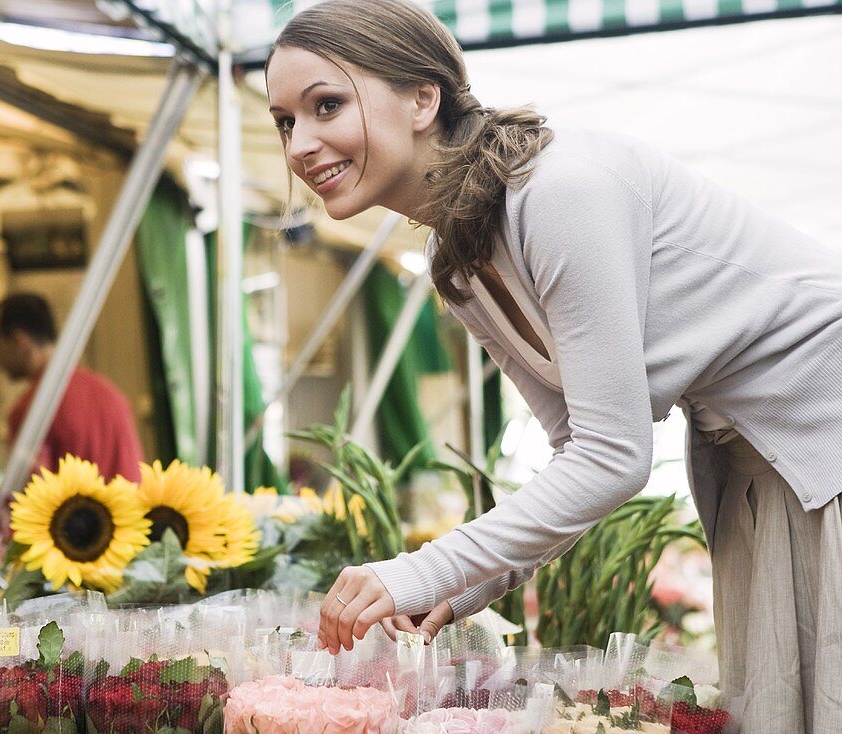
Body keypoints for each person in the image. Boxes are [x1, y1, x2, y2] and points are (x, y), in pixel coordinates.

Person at [265, 1, 842, 731]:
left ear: (422, 98)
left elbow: (617, 455)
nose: (300, 144)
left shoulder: (559, 189)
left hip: (825, 441)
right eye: (286, 120)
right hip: (763, 470)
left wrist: (420, 568)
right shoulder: (460, 260)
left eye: (327, 105)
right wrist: (467, 587)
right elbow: (580, 450)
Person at [0, 293, 144, 483]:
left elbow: (33, 494)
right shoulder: (109, 392)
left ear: (19, 340)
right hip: (131, 511)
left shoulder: (31, 410)